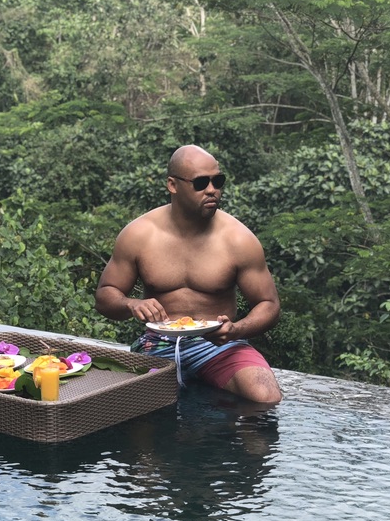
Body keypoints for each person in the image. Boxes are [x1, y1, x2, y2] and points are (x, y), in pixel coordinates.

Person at [95, 144, 283, 404]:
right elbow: (105, 296)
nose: (212, 190)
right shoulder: (140, 235)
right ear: (173, 185)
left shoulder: (238, 239)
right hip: (157, 342)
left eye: (218, 181)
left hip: (219, 344)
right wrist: (131, 304)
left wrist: (236, 330)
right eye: (200, 183)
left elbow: (269, 304)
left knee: (266, 396)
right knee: (132, 408)